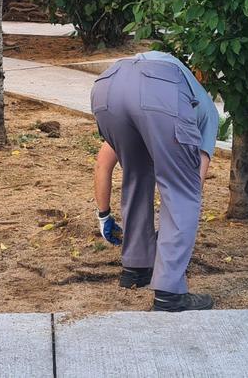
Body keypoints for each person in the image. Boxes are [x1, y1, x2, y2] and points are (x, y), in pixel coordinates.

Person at [90, 51, 220, 312]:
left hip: (107, 86)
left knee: (136, 175)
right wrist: (171, 234)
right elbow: (192, 184)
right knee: (182, 192)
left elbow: (103, 164)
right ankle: (169, 292)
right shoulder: (206, 111)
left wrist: (103, 214)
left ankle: (135, 268)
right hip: (156, 93)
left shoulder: (164, 76)